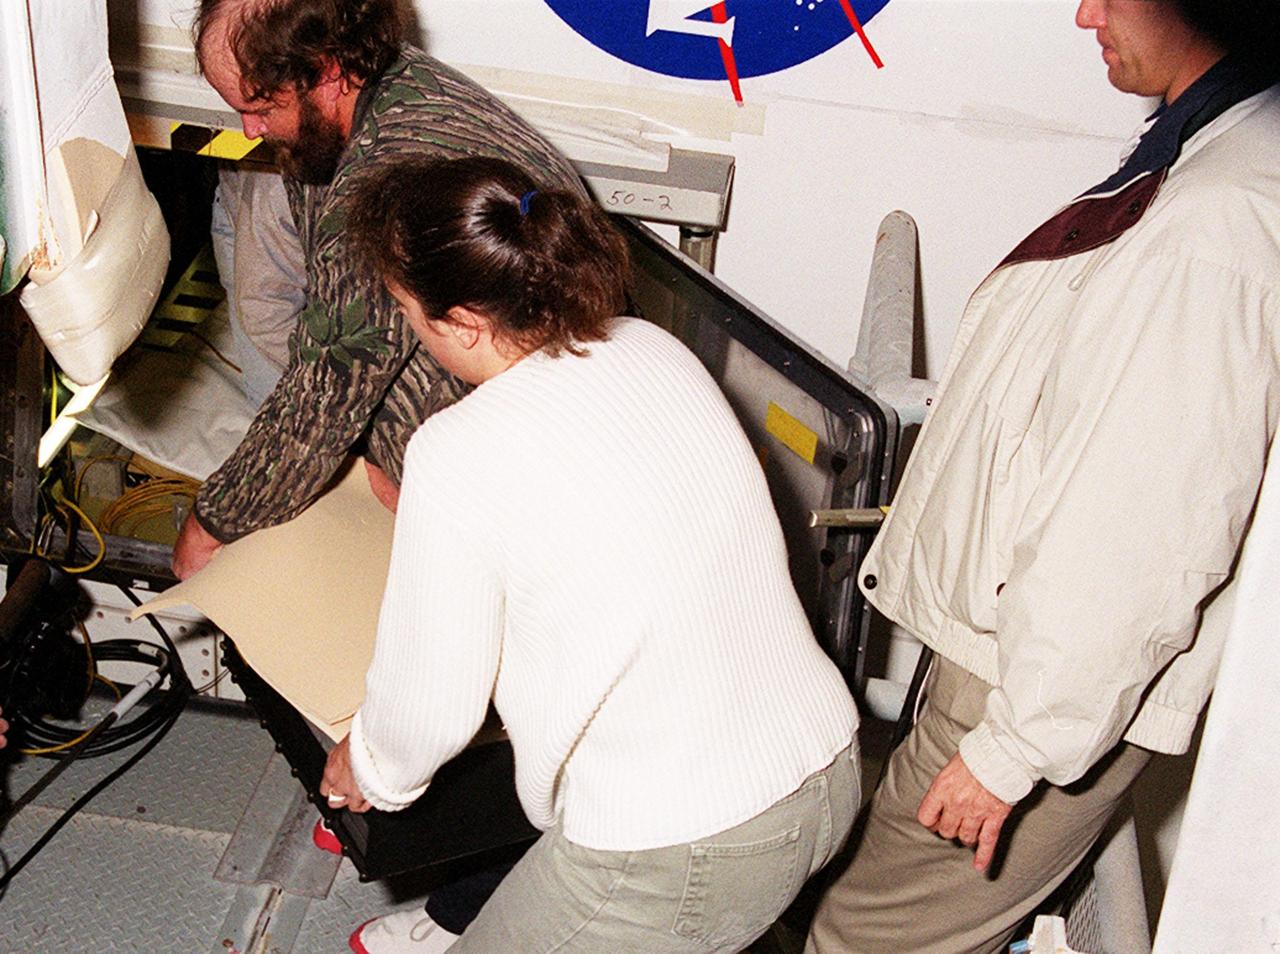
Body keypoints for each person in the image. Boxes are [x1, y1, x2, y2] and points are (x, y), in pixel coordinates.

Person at [806, 1, 1280, 952]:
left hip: (1028, 687)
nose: (1084, 13)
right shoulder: (1217, 150)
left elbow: (1143, 527)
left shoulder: (1218, 224)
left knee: (864, 940)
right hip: (1020, 657)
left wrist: (1013, 751)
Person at [319, 155, 861, 954]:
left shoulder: (458, 450)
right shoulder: (651, 348)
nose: (408, 329)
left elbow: (430, 703)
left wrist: (367, 765)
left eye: (408, 311)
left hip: (682, 842)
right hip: (824, 770)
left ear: (464, 321)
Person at [172, 0, 584, 577]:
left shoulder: (384, 185)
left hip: (519, 502)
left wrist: (211, 522)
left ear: (329, 70)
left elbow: (327, 389)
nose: (249, 129)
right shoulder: (392, 83)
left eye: (261, 107)